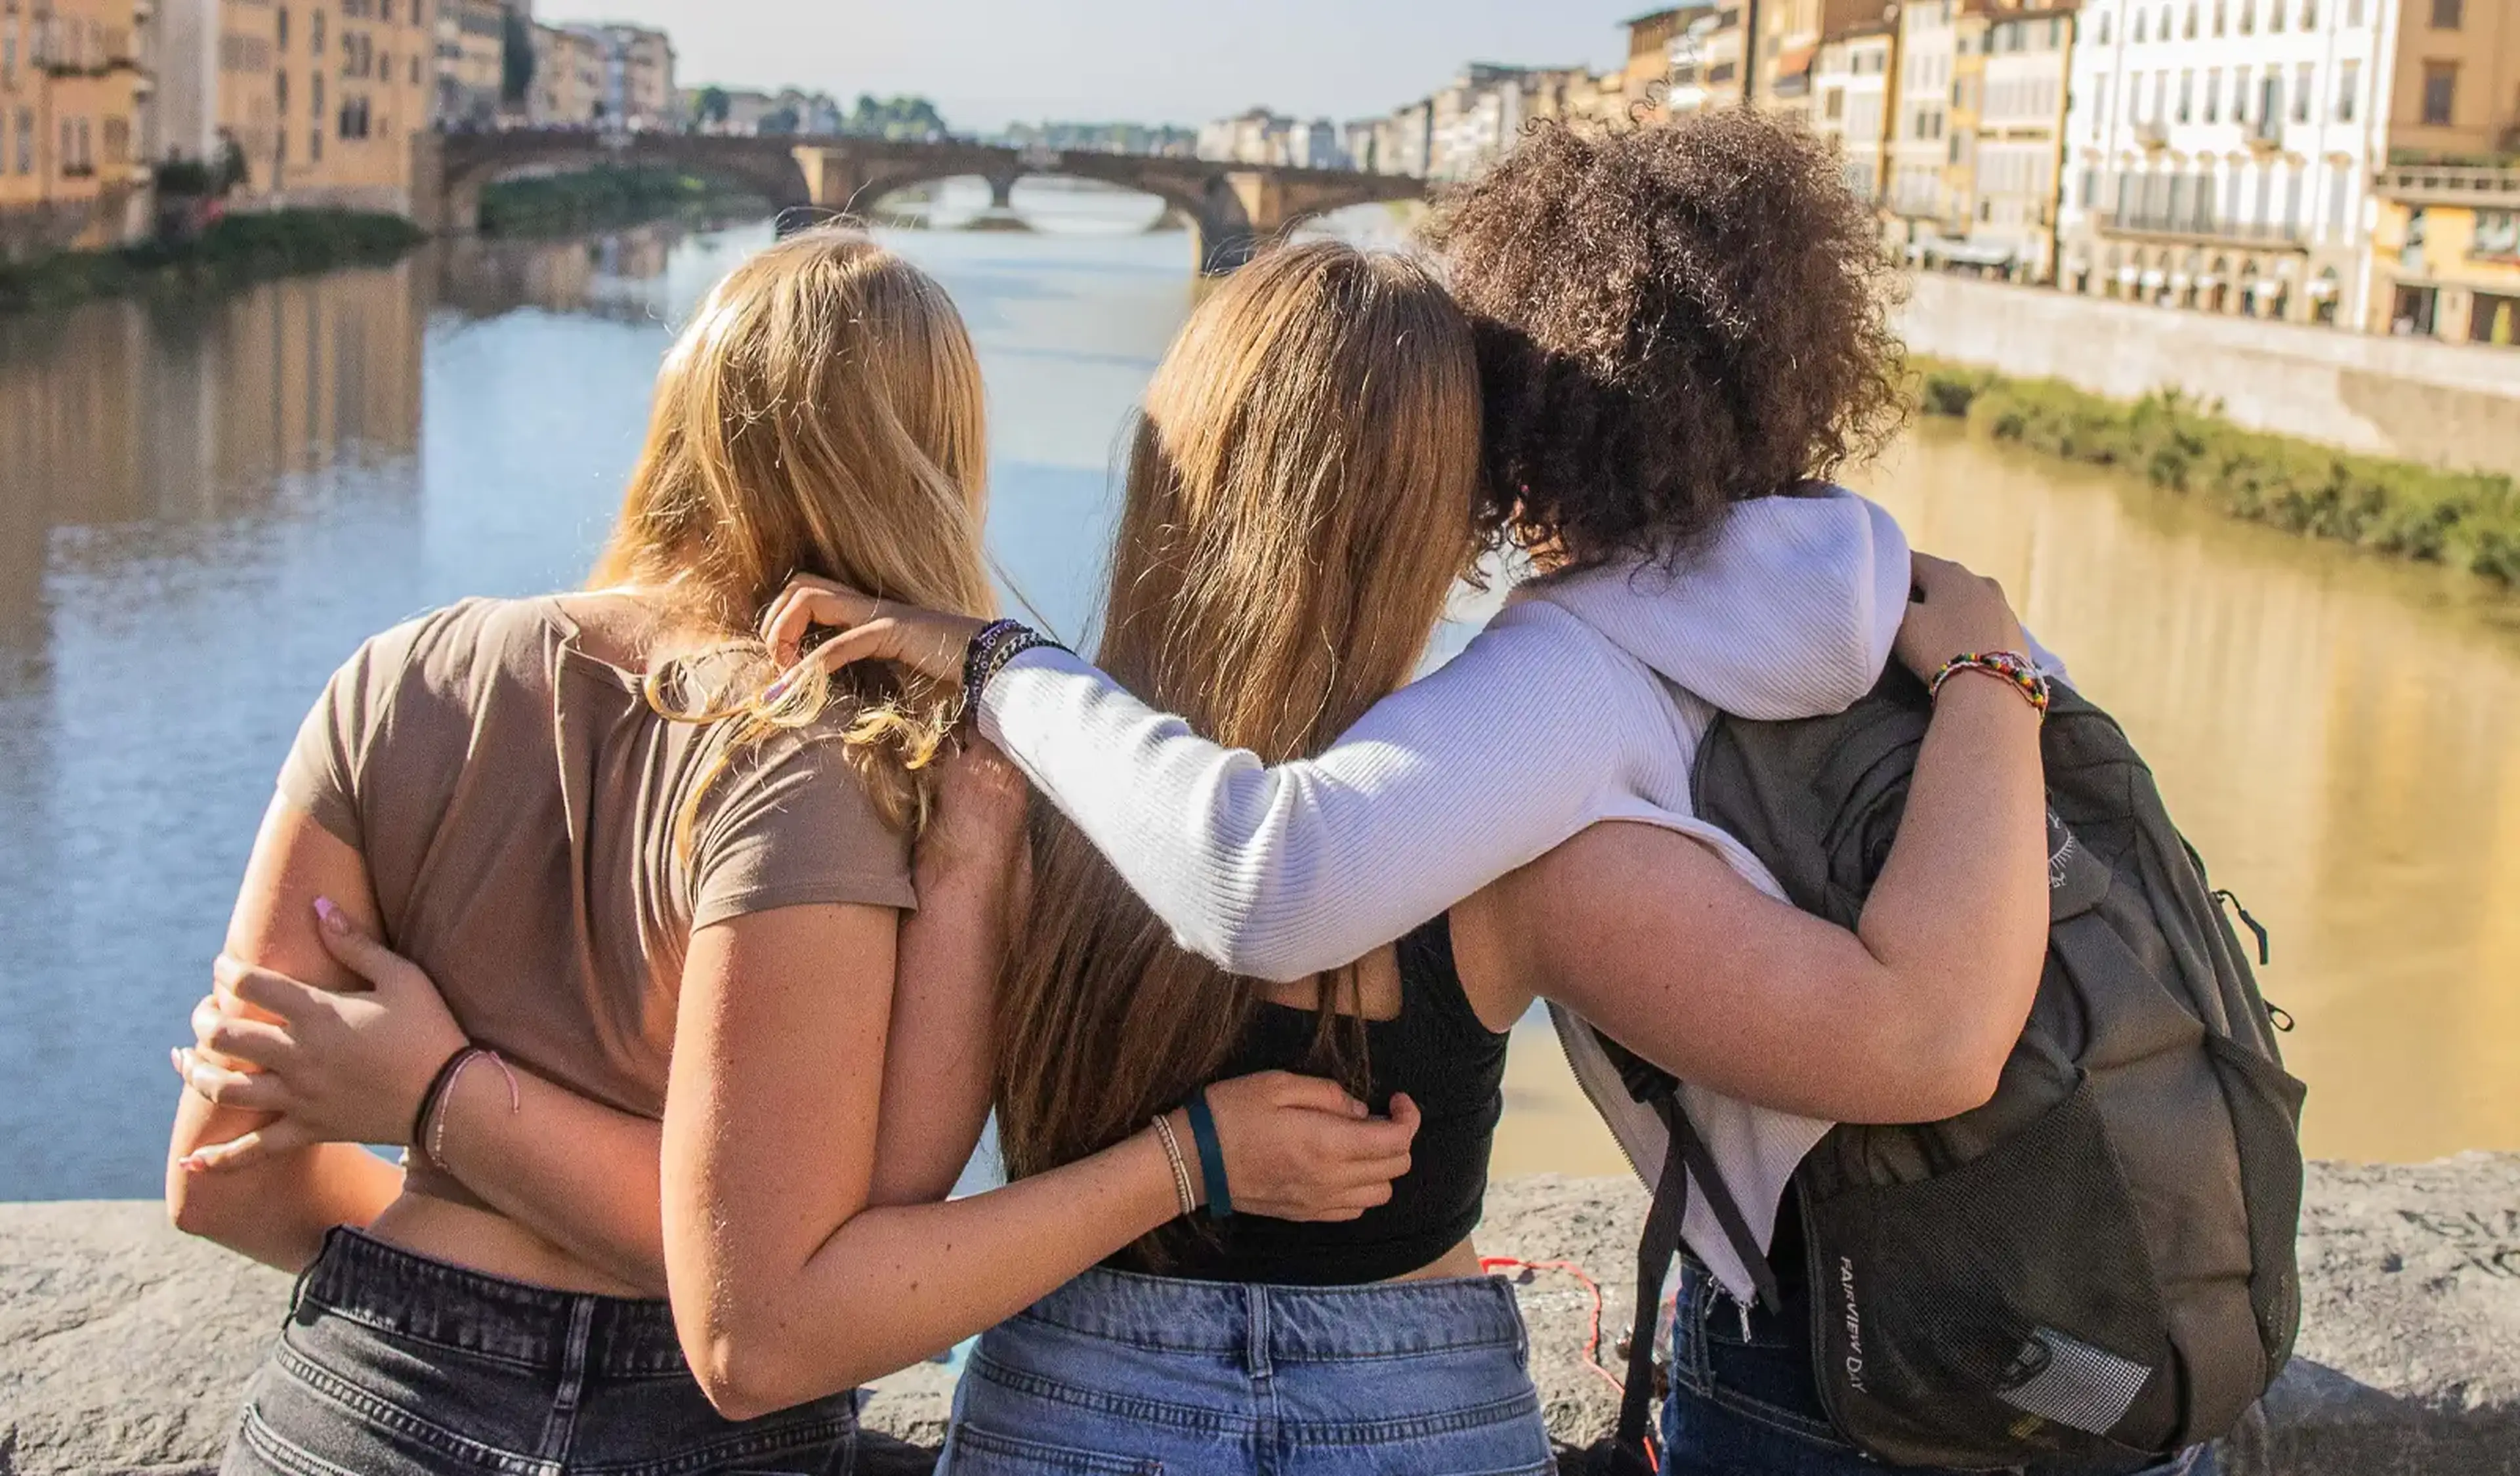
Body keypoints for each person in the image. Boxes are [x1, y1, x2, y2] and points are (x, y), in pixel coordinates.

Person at [758, 116, 2151, 1476]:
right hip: (1422, 1406)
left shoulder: (1025, 781)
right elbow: (1905, 1029)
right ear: (1455, 503)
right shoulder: (1535, 824)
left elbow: (887, 1222)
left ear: (1165, 465)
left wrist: (996, 677)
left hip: (1075, 1398)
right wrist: (1988, 671)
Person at [166, 224, 1414, 1476]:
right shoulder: (844, 761)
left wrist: (444, 1212)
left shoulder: (391, 680)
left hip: (345, 1393)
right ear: (926, 466)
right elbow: (793, 1308)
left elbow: (222, 1179)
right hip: (678, 1435)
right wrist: (1178, 1147)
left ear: (687, 418)